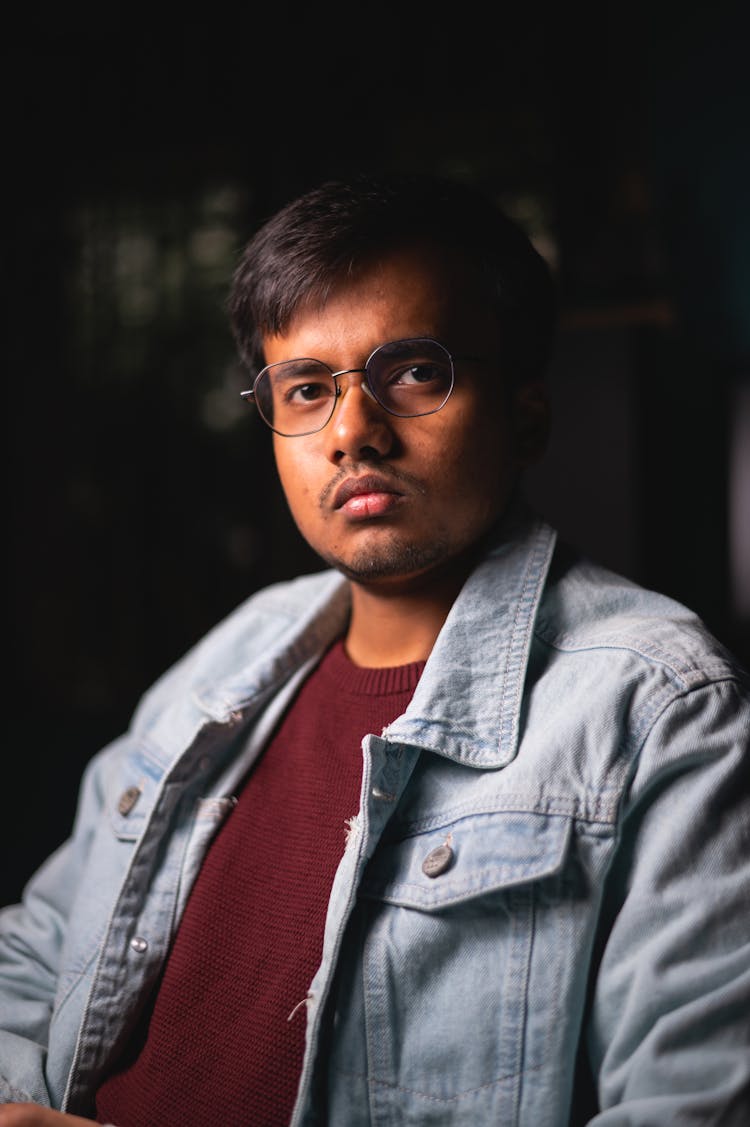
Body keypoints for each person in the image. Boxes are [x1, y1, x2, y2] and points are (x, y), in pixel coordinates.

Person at [1, 172, 748, 1127]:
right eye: (307, 388)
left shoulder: (662, 710)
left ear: (527, 414)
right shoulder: (227, 663)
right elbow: (37, 949)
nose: (353, 431)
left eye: (413, 372)